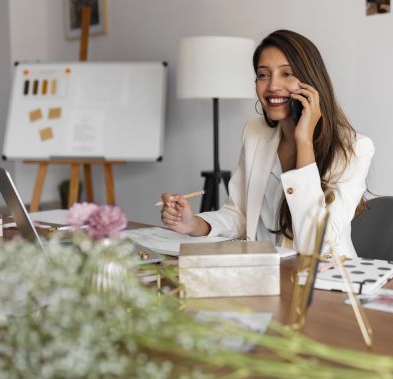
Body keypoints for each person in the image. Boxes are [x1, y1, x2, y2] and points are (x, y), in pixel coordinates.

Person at [160, 30, 375, 258]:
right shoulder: (255, 132)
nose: (272, 86)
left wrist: (304, 141)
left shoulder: (354, 148)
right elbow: (240, 214)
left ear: (311, 81)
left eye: (287, 73)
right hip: (264, 274)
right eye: (263, 75)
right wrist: (194, 224)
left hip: (322, 281)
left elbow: (315, 245)